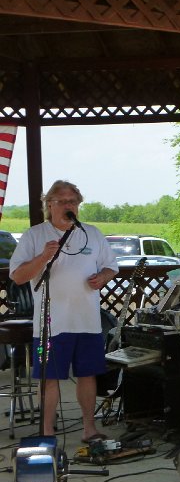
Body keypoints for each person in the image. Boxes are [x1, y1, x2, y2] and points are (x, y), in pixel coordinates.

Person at [10, 180, 118, 442]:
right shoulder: (35, 235)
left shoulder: (92, 233)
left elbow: (111, 267)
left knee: (87, 375)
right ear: (50, 205)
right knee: (49, 378)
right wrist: (42, 257)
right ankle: (47, 432)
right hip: (51, 323)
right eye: (63, 201)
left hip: (87, 320)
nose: (69, 206)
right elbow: (17, 276)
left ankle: (89, 429)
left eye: (73, 201)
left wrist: (102, 277)